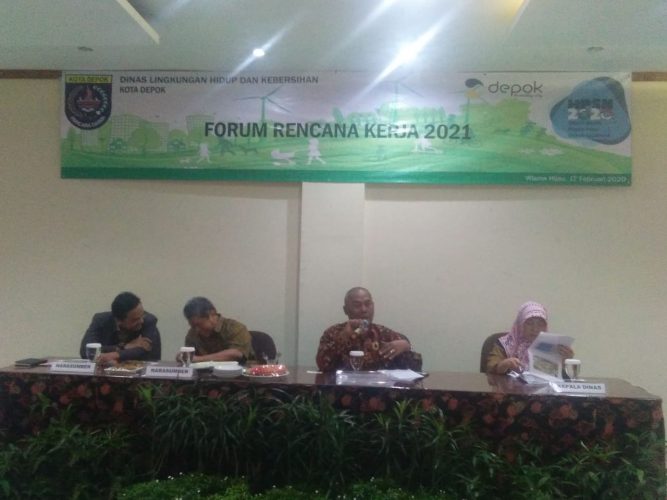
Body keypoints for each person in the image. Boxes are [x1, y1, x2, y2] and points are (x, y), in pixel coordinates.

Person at [316, 287, 422, 372]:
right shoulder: (333, 333)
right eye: (357, 305)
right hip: (341, 390)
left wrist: (406, 346)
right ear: (346, 310)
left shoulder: (384, 333)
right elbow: (323, 365)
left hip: (378, 390)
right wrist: (343, 337)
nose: (364, 309)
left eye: (368, 304)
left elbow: (416, 368)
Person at [486, 301, 574, 375]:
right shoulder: (505, 344)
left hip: (542, 390)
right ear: (520, 324)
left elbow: (559, 379)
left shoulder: (551, 346)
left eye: (540, 324)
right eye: (530, 323)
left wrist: (564, 361)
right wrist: (504, 364)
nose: (535, 329)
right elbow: (490, 369)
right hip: (510, 389)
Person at [79, 292, 161, 363]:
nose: (141, 321)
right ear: (118, 320)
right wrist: (123, 347)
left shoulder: (149, 321)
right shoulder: (101, 320)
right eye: (135, 320)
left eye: (142, 315)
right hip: (104, 372)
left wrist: (113, 355)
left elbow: (144, 350)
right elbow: (86, 351)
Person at [182, 296, 253, 363]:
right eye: (193, 326)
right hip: (205, 371)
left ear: (212, 315)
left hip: (242, 370)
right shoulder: (193, 333)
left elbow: (235, 354)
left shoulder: (235, 328)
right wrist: (183, 357)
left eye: (199, 324)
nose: (196, 329)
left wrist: (198, 359)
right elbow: (189, 356)